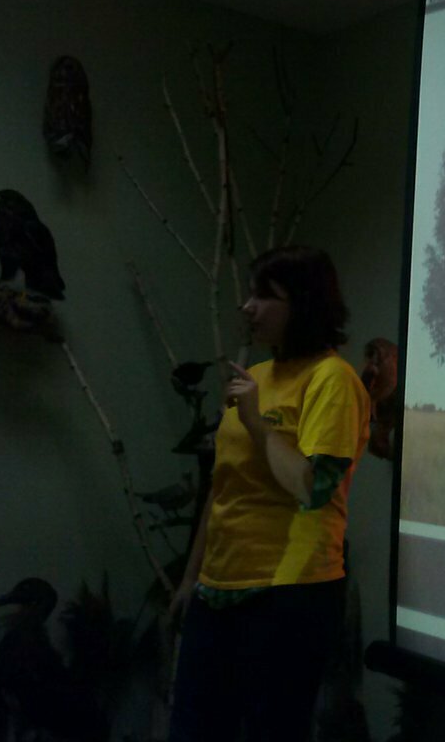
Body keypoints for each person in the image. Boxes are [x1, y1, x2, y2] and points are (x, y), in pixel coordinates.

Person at [168, 246, 371, 742]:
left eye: (264, 295)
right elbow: (222, 487)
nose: (248, 307)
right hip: (217, 588)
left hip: (289, 594)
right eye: (249, 295)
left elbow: (312, 487)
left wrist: (258, 425)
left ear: (302, 304)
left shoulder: (333, 380)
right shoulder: (254, 377)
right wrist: (190, 578)